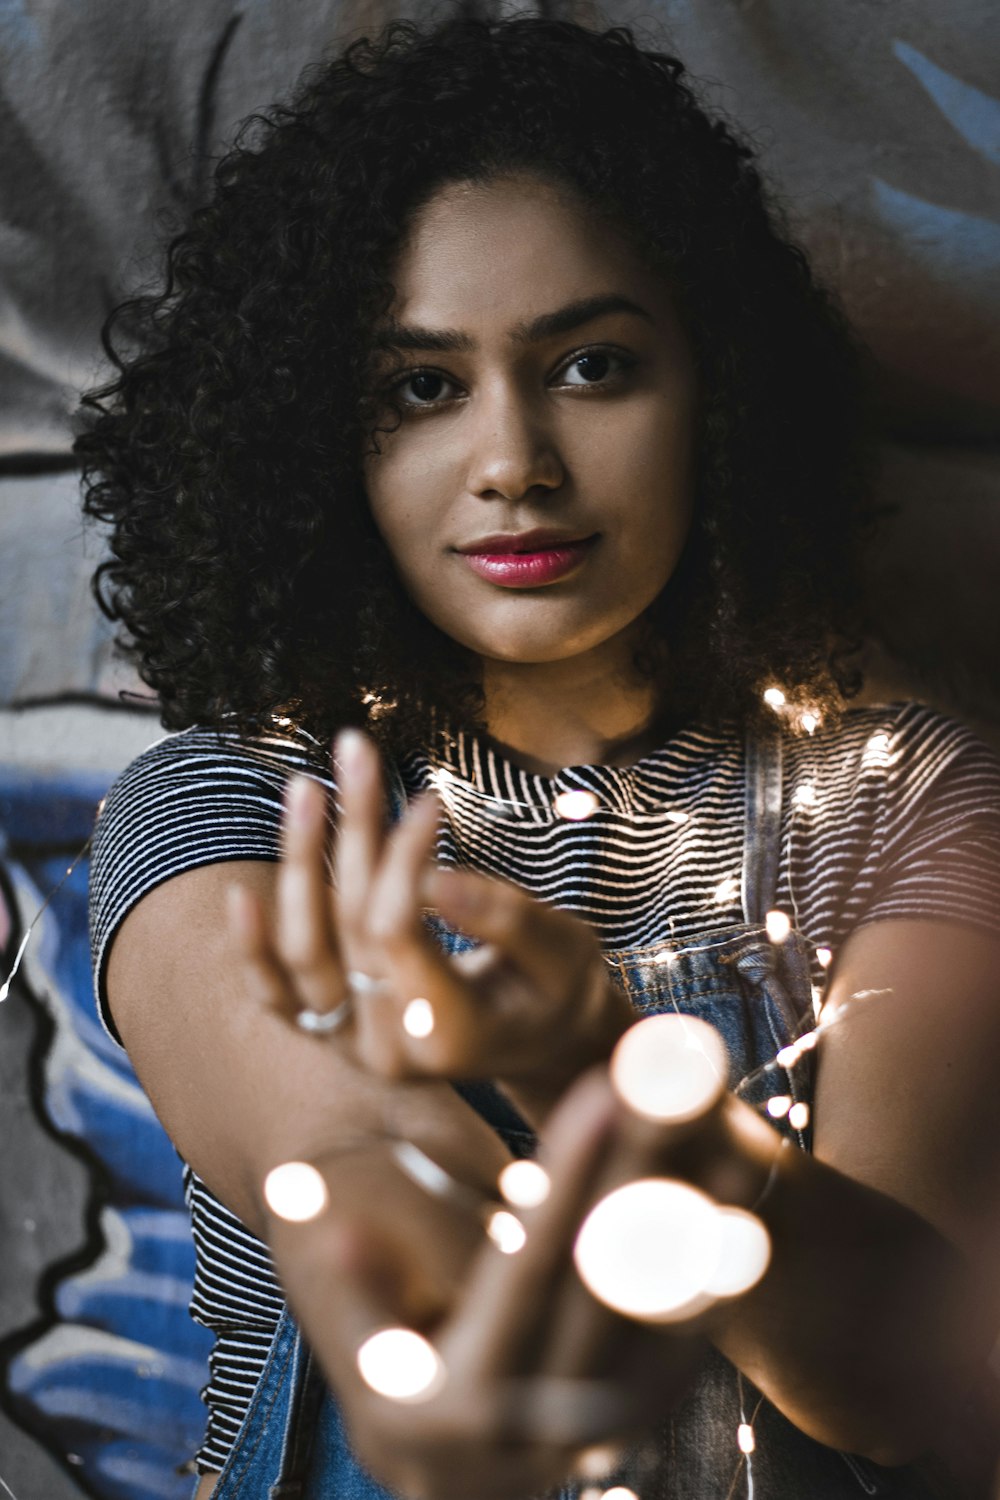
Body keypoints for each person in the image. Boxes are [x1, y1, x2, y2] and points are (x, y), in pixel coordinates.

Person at [77, 14, 1000, 1499]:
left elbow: (920, 1391)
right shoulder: (241, 809)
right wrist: (446, 1366)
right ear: (324, 442)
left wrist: (593, 1072)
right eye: (423, 387)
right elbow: (386, 1252)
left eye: (591, 364)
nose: (515, 460)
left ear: (720, 390)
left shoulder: (905, 804)